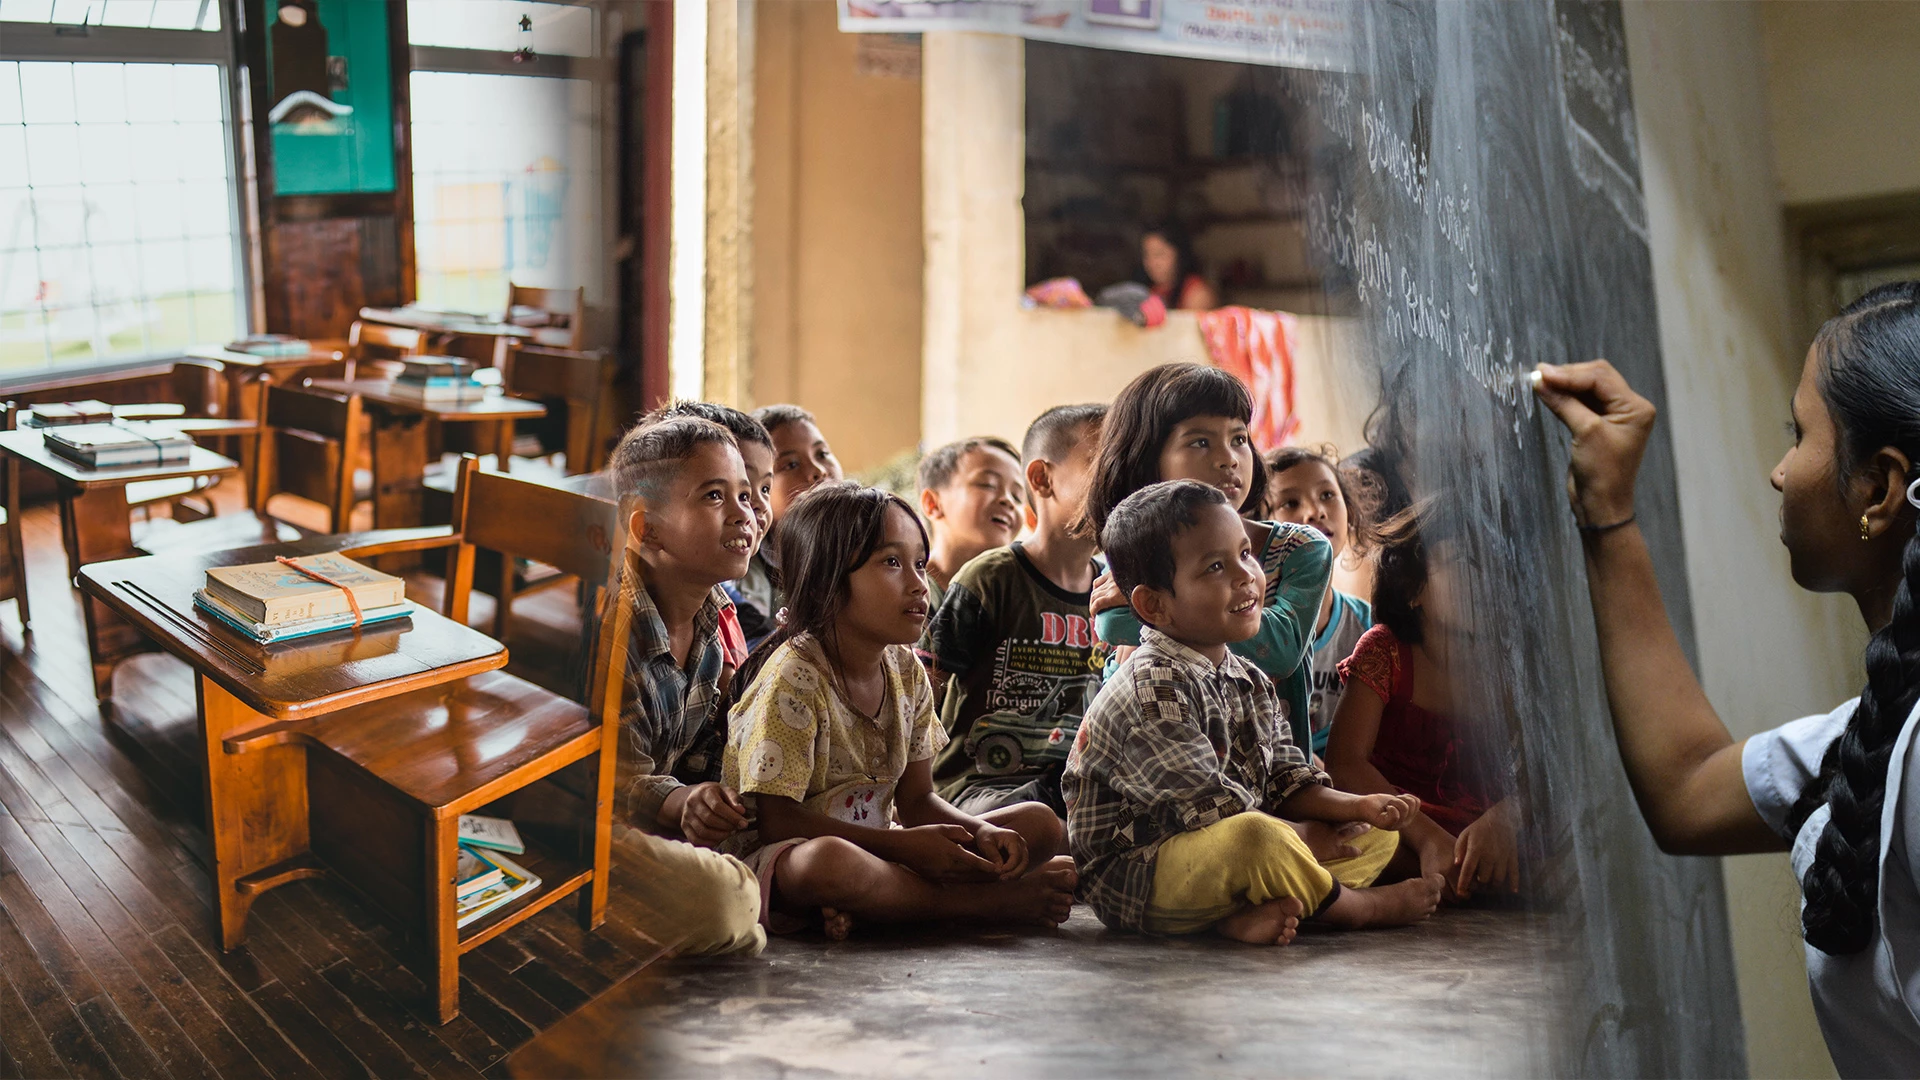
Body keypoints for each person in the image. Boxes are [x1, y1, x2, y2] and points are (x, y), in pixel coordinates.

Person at [1531, 282, 1920, 1075]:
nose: (1780, 472)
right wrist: (1608, 508)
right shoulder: (1886, 727)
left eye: (1800, 433)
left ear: (1877, 489)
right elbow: (1689, 787)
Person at [1063, 480, 1444, 943]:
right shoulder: (1152, 686)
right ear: (1154, 605)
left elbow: (1285, 779)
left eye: (1245, 554)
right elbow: (1211, 812)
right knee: (1257, 839)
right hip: (1140, 876)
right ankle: (1352, 907)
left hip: (1229, 851)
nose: (1246, 576)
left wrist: (1356, 805)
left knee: (1374, 834)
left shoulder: (1249, 677)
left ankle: (1240, 915)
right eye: (1215, 567)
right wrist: (1306, 838)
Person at [721, 481, 1078, 938]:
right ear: (827, 579)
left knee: (1039, 824)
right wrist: (902, 847)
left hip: (883, 847)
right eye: (891, 563)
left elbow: (916, 800)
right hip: (786, 860)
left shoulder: (905, 669)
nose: (918, 583)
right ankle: (982, 904)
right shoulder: (795, 675)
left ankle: (886, 905)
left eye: (919, 563)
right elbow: (777, 821)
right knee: (829, 863)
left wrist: (977, 833)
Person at [1083, 363, 1330, 753]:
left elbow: (1280, 650)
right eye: (1200, 442)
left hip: (1275, 768)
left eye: (1239, 439)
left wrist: (1158, 618)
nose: (1228, 459)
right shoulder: (1135, 546)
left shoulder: (1301, 549)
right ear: (1148, 460)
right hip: (1160, 767)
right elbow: (1112, 624)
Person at [606, 416, 766, 957]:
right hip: (591, 823)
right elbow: (614, 784)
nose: (744, 512)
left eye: (745, 495)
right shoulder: (614, 630)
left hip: (658, 825)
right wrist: (681, 803)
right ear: (645, 528)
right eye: (714, 496)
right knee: (725, 901)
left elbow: (699, 758)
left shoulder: (712, 620)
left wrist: (709, 801)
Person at [1324, 500, 1519, 899]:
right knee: (1349, 845)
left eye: (1494, 559)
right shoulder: (1386, 651)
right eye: (1465, 560)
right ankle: (1472, 881)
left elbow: (1551, 767)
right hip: (1400, 826)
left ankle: (1473, 877)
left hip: (1482, 832)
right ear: (1413, 589)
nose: (1485, 577)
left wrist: (1508, 817)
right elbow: (1344, 765)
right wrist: (1428, 837)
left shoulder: (1512, 663)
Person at [925, 405, 1107, 818]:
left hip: (1075, 785)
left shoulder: (1117, 591)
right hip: (980, 788)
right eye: (1103, 464)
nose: (1121, 481)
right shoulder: (989, 579)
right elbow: (923, 692)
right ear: (1043, 479)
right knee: (1039, 816)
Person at [640, 400, 776, 665]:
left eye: (764, 489)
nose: (754, 506)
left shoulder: (720, 605)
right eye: (716, 494)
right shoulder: (647, 622)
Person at [1266, 444, 1372, 756]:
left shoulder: (1367, 626)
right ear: (1261, 525)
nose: (1315, 511)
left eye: (1327, 495)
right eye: (1290, 502)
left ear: (1349, 510)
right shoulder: (1251, 631)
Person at [731, 404, 844, 647]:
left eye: (822, 454)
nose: (818, 471)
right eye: (791, 465)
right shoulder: (742, 570)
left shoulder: (866, 546)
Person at [916, 436, 1025, 613]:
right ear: (932, 504)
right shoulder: (910, 590)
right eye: (988, 484)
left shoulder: (1017, 599)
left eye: (1018, 496)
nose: (1008, 501)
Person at [1139, 226, 1217, 312]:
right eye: (1146, 255)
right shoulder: (1151, 292)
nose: (1152, 263)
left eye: (1159, 254)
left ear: (1179, 255)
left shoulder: (1196, 293)